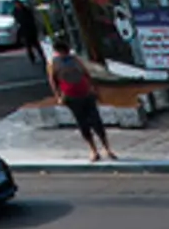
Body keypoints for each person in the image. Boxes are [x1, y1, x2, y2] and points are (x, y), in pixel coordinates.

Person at [48, 35, 117, 163]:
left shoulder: (75, 59)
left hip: (86, 93)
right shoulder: (54, 63)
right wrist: (58, 96)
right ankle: (93, 150)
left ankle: (107, 148)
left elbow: (86, 74)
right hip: (71, 96)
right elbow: (53, 81)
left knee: (97, 122)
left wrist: (94, 89)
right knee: (83, 123)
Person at [12, 0, 42, 67]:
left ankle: (42, 56)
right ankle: (32, 59)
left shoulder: (26, 9)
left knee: (36, 44)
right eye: (16, 4)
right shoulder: (15, 11)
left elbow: (32, 18)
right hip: (24, 30)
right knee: (28, 46)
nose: (17, 5)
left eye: (18, 3)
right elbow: (17, 19)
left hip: (31, 29)